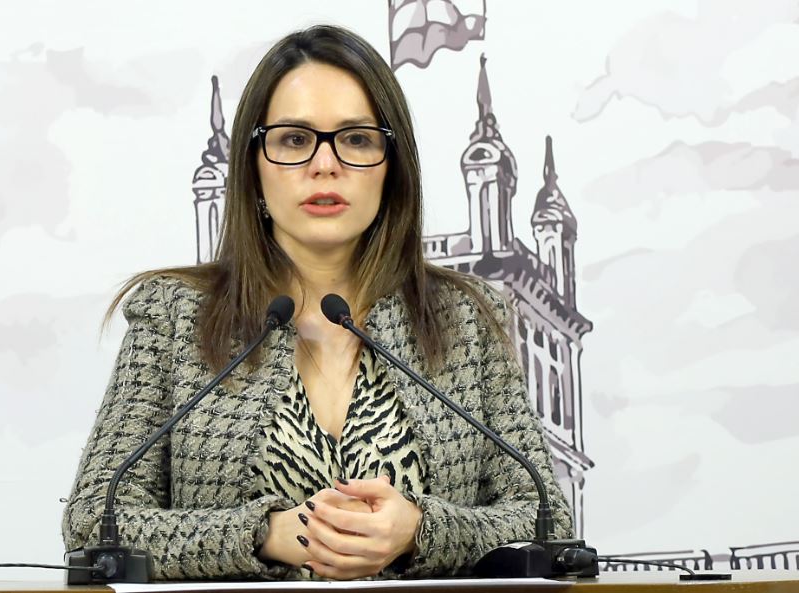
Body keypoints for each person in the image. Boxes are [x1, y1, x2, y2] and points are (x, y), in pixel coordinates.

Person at [61, 24, 572, 580]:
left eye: (355, 139)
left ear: (391, 167)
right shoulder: (174, 315)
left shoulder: (467, 317)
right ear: (253, 168)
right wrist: (263, 535)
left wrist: (420, 531)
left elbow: (549, 524)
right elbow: (95, 521)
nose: (325, 164)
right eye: (295, 139)